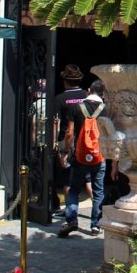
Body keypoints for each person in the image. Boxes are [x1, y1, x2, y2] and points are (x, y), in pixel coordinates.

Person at [59, 79, 107, 237]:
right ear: (103, 94)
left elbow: (69, 132)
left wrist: (65, 151)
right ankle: (95, 225)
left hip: (79, 155)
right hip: (98, 155)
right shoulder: (105, 109)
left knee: (74, 189)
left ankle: (72, 220)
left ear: (88, 90)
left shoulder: (76, 107)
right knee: (98, 191)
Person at [53, 64, 88, 213]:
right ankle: (96, 213)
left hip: (66, 141)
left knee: (67, 178)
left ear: (65, 81)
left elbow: (56, 122)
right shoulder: (87, 96)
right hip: (86, 140)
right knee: (89, 178)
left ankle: (70, 211)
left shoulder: (60, 99)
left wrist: (55, 143)